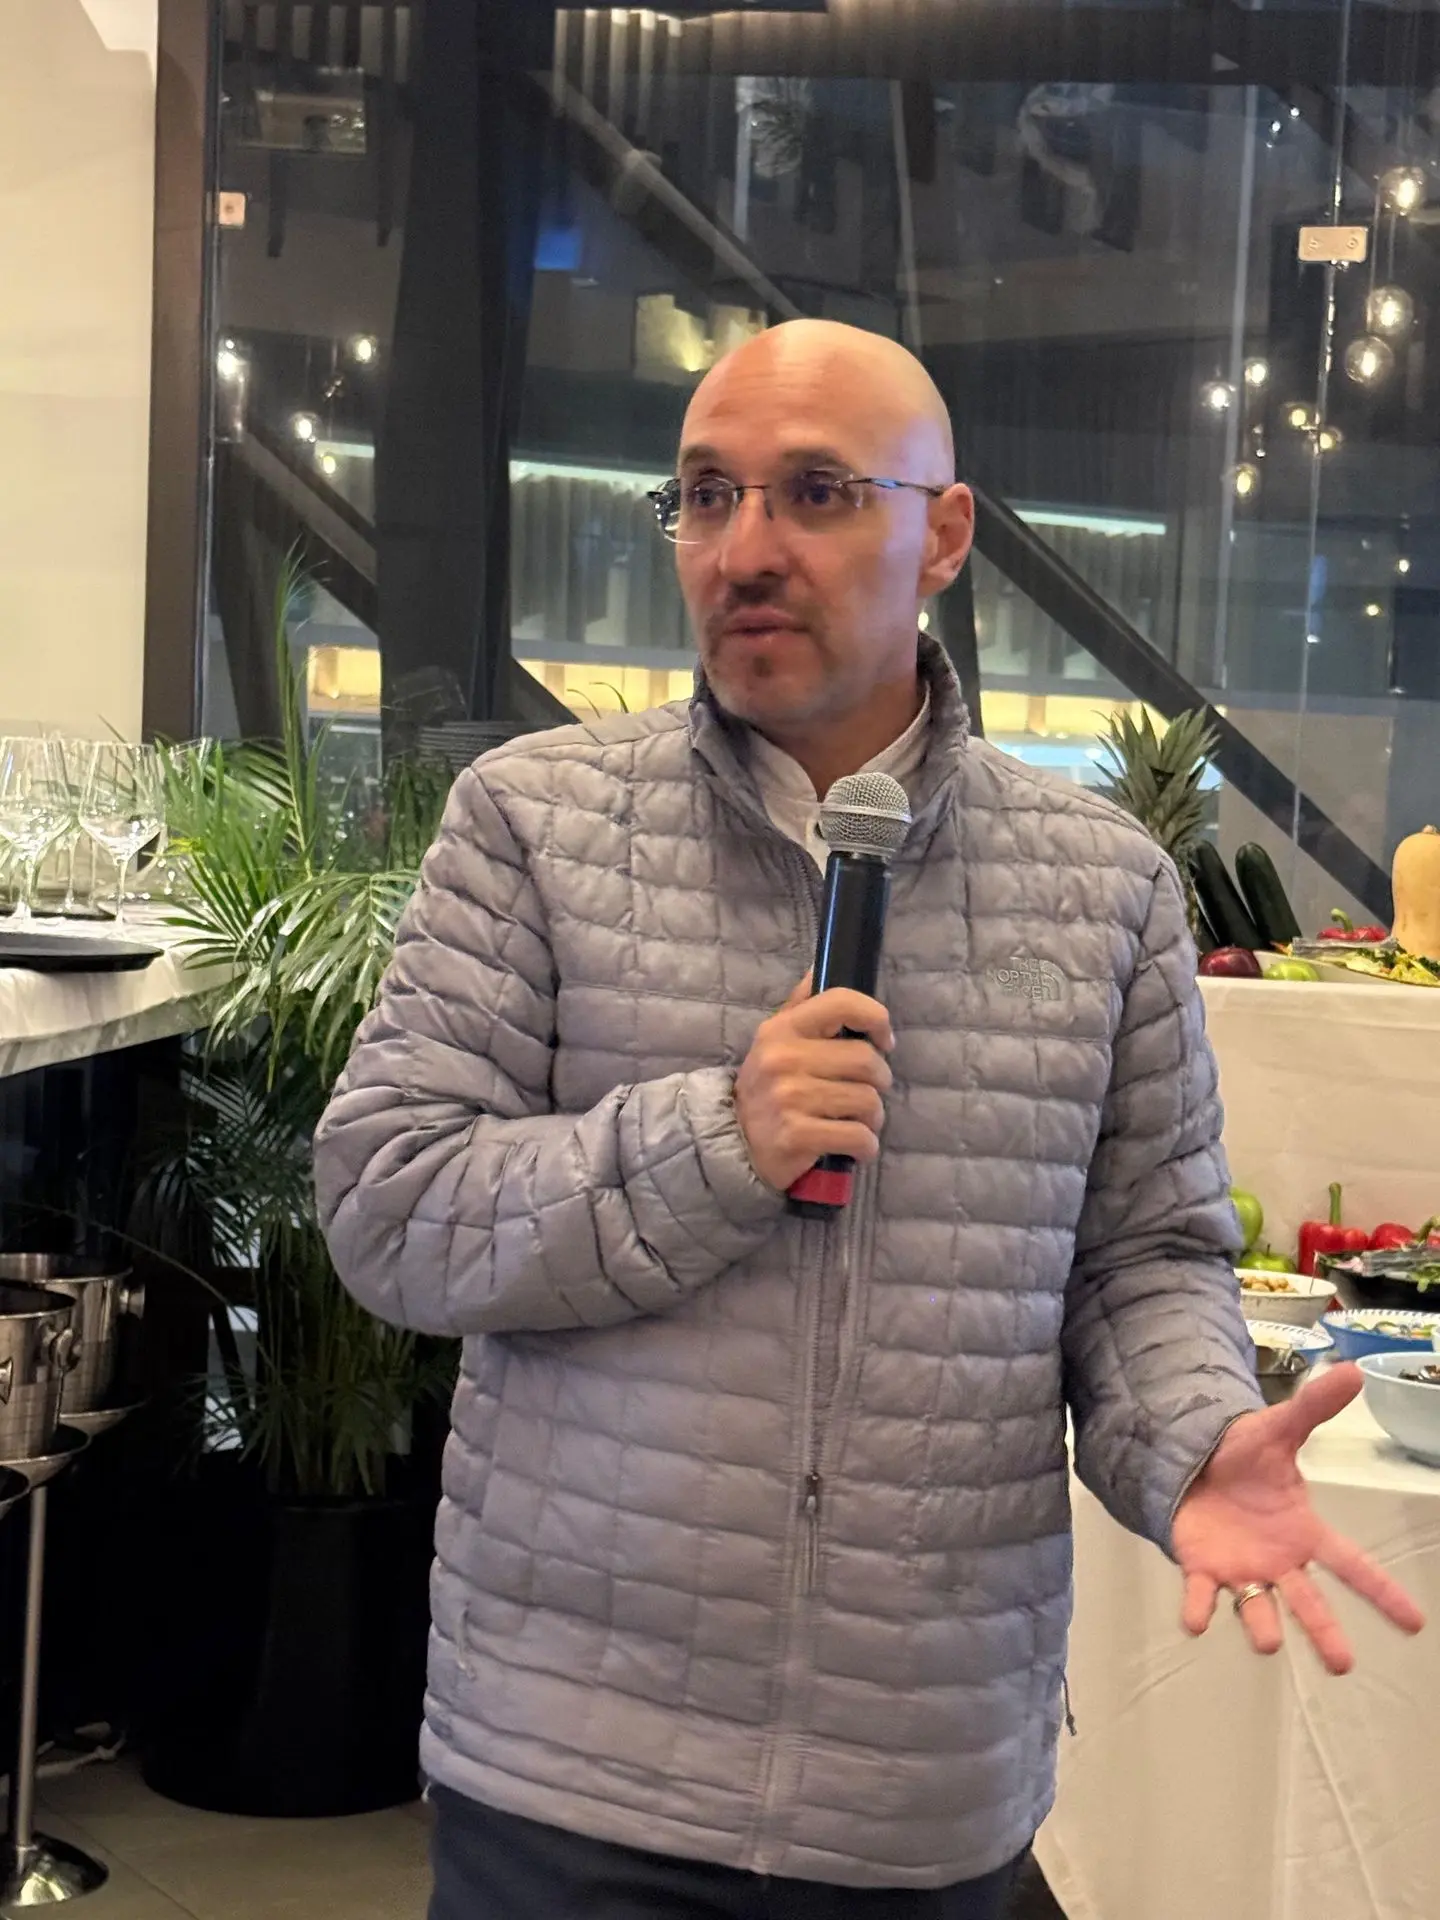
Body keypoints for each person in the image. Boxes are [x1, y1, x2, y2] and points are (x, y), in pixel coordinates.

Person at [313, 319, 1423, 1919]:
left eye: (818, 493)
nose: (745, 548)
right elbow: (392, 1204)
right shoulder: (535, 824)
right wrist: (718, 1140)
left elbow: (1145, 1259)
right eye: (706, 495)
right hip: (574, 1764)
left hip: (922, 1781)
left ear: (945, 536)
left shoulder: (1103, 888)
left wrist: (1190, 1441)